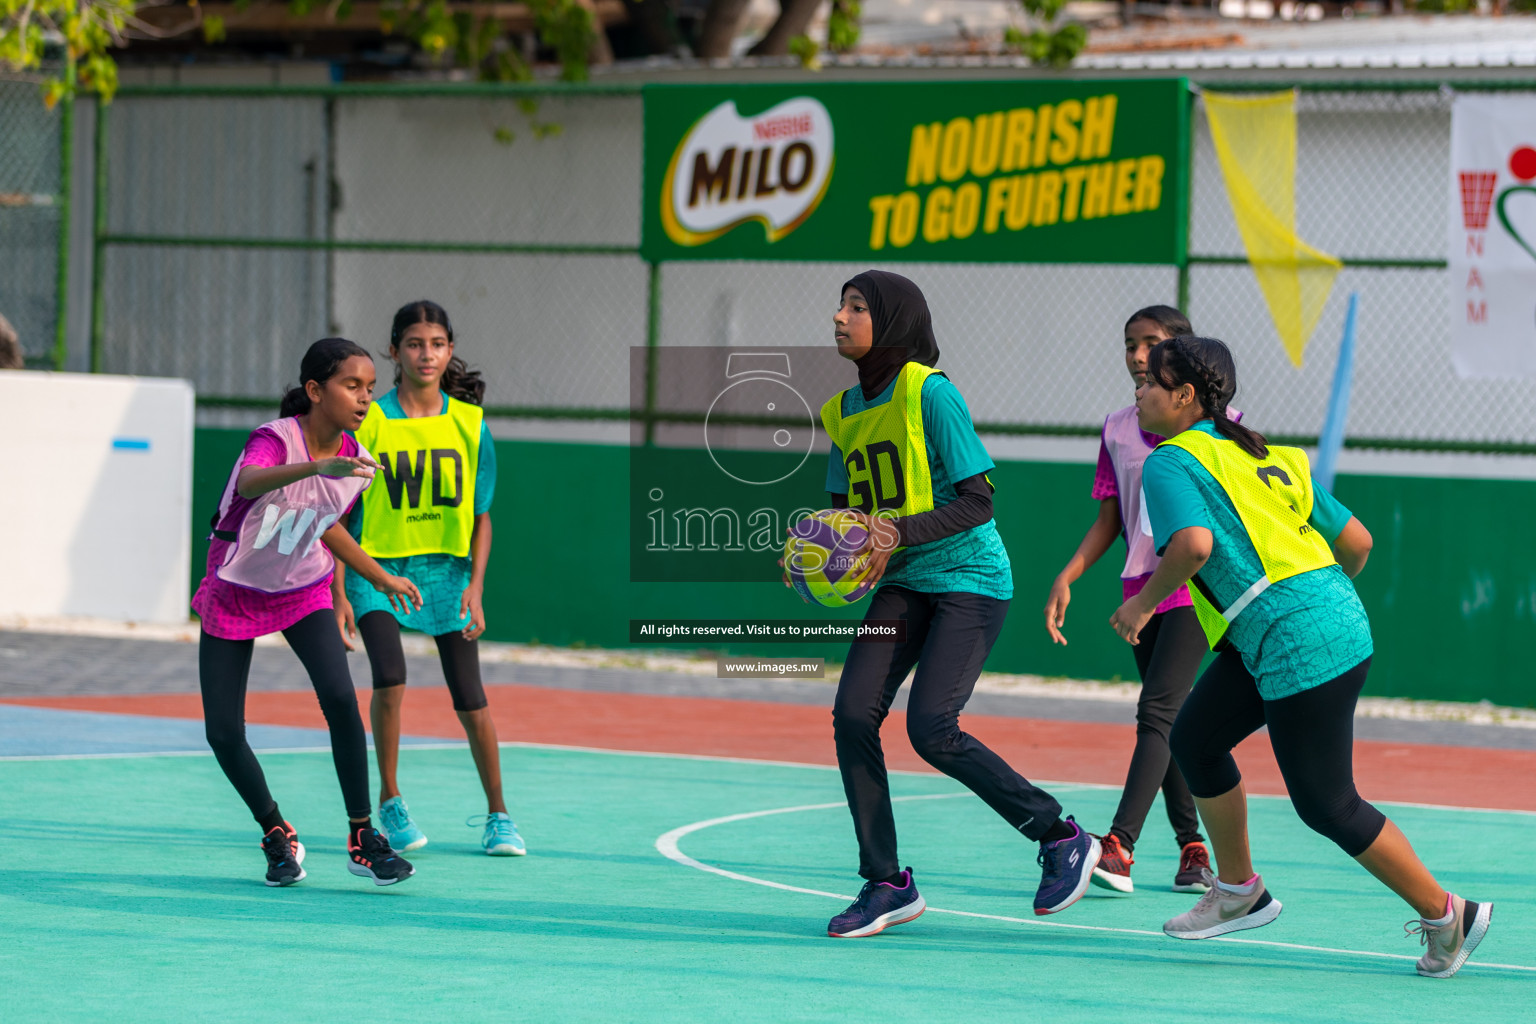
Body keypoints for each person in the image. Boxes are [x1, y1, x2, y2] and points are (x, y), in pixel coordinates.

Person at [1111, 335, 1493, 978]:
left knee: (1327, 803)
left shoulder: (1170, 461)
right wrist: (1318, 599)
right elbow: (1358, 543)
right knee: (1196, 740)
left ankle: (1446, 913)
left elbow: (1195, 546)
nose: (1138, 392)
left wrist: (1142, 604)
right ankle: (1238, 891)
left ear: (1184, 397)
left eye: (1149, 382)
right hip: (1321, 618)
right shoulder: (1270, 454)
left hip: (1292, 634)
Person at [787, 270, 1098, 940]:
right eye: (840, 305)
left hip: (969, 578)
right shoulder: (841, 411)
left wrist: (895, 532)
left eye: (857, 307)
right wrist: (821, 557)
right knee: (851, 715)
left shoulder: (930, 392)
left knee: (932, 728)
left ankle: (1060, 835)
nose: (839, 317)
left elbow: (978, 499)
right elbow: (848, 517)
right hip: (905, 580)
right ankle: (887, 882)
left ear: (893, 320)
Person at [194, 337, 422, 887]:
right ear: (316, 391)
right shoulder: (275, 440)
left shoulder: (356, 464)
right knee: (223, 732)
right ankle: (276, 832)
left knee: (342, 699)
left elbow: (325, 525)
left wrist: (379, 575)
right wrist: (314, 465)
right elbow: (250, 481)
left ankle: (363, 837)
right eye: (352, 386)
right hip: (235, 587)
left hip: (302, 586)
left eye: (371, 387)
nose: (365, 398)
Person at [333, 301, 521, 857]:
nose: (427, 354)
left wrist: (476, 585)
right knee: (389, 675)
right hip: (379, 570)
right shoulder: (373, 422)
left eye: (437, 343)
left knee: (471, 698)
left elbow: (481, 515)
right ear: (394, 351)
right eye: (415, 344)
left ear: (450, 349)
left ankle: (500, 816)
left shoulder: (469, 423)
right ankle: (389, 799)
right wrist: (341, 589)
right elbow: (340, 514)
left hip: (446, 574)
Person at [1044, 306, 1213, 896]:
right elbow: (1110, 518)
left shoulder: (1218, 426)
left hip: (1194, 585)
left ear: (1182, 355)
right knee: (1166, 718)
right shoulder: (1118, 427)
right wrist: (1068, 575)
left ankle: (1118, 846)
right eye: (1129, 345)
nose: (1138, 355)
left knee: (1157, 714)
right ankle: (1193, 848)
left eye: (1151, 344)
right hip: (1140, 587)